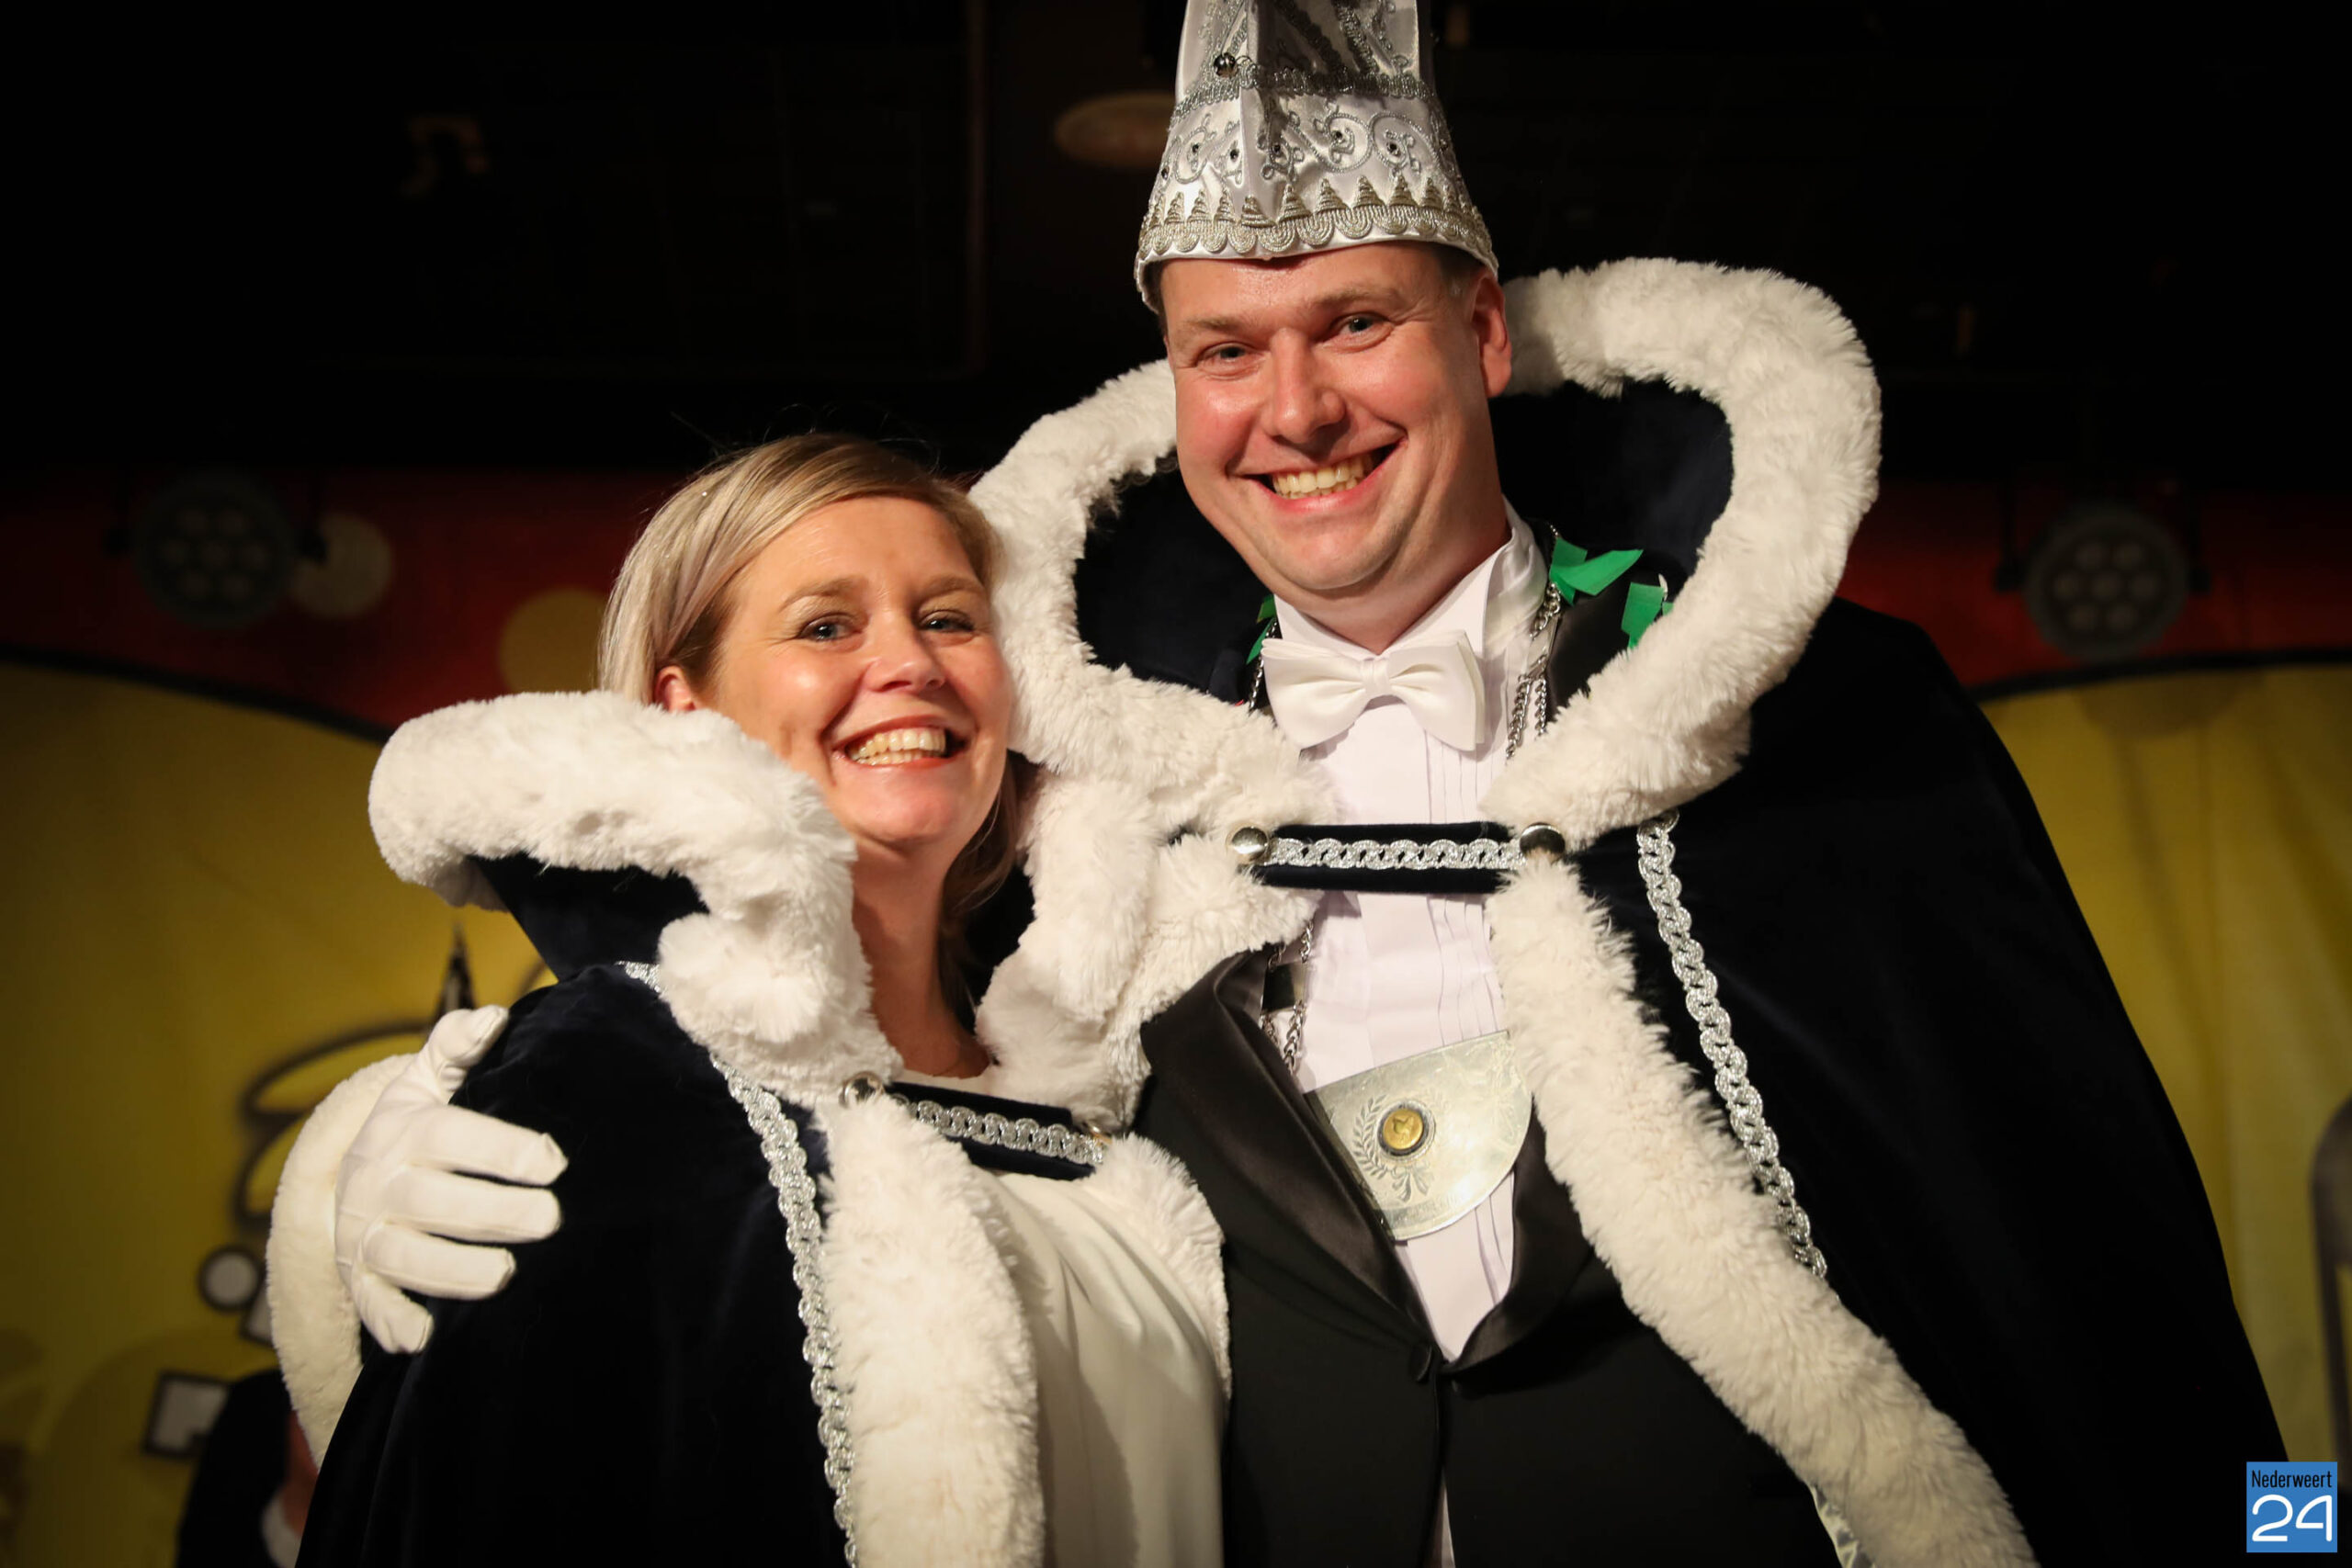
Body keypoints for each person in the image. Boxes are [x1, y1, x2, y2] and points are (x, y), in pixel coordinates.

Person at [281, 3, 2283, 1563]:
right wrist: (363, 1159)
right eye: (1225, 350)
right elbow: (759, 1049)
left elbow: (2100, 1224)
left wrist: (2301, 1533)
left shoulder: (1804, 711)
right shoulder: (1081, 784)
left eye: (1354, 325)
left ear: (1482, 333)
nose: (1294, 408)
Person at [269, 434, 1227, 1565]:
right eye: (825, 626)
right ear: (685, 710)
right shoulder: (608, 1086)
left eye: (948, 618)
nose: (909, 663)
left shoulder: (1134, 1086)